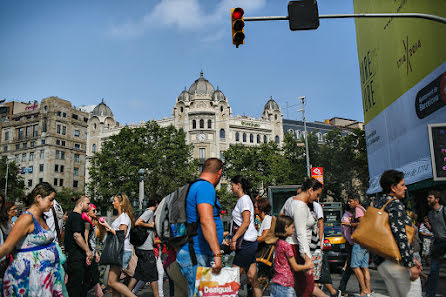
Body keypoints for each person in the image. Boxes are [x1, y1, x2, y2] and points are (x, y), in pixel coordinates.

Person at [0, 182, 64, 296]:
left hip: (45, 278)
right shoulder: (26, 218)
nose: (52, 203)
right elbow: (7, 247)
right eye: (50, 199)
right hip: (29, 278)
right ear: (39, 198)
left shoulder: (41, 217)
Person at [176, 158, 224, 297]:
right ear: (219, 173)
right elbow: (206, 221)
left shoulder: (193, 186)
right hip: (197, 253)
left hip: (192, 252)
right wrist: (217, 254)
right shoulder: (205, 187)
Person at [374, 170, 422, 297]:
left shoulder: (379, 203)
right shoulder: (395, 204)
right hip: (398, 263)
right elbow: (400, 236)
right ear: (393, 188)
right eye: (402, 185)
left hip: (384, 261)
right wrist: (410, 263)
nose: (405, 188)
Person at [280, 177, 324, 297]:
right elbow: (301, 233)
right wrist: (307, 257)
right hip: (297, 248)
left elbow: (280, 217)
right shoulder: (300, 206)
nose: (317, 198)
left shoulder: (290, 201)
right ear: (310, 190)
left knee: (300, 286)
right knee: (306, 286)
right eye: (317, 194)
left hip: (293, 246)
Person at [230, 175, 262, 297]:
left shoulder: (244, 200)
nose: (231, 188)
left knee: (233, 278)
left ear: (238, 186)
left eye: (232, 185)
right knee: (252, 277)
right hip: (249, 242)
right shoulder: (245, 200)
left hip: (246, 243)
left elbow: (246, 222)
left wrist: (234, 238)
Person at [98, 193, 136, 297]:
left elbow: (121, 235)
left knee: (111, 282)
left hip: (121, 251)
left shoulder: (124, 217)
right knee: (115, 283)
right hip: (119, 250)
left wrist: (108, 227)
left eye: (115, 201)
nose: (113, 202)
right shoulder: (120, 217)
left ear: (121, 203)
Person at [270, 215, 314, 297]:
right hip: (285, 285)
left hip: (276, 283)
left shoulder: (278, 243)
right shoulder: (286, 245)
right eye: (292, 227)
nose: (294, 230)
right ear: (286, 227)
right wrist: (308, 265)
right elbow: (295, 267)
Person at [128, 199, 159, 296]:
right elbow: (138, 222)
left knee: (137, 274)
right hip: (146, 249)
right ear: (157, 204)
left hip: (141, 248)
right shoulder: (149, 212)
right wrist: (151, 225)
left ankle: (127, 294)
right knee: (153, 275)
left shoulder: (147, 212)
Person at [341, 194, 371, 297]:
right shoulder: (363, 209)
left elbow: (362, 223)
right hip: (366, 242)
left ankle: (363, 290)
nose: (349, 203)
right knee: (365, 268)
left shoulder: (358, 209)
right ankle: (368, 290)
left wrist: (349, 225)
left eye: (350, 201)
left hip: (359, 242)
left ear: (356, 201)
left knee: (354, 266)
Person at [65, 196, 92, 297]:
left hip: (74, 256)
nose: (89, 206)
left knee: (75, 285)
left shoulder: (72, 216)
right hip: (76, 257)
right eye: (88, 203)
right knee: (76, 286)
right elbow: (77, 236)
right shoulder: (76, 217)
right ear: (81, 204)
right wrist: (87, 251)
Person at [425, 190, 446, 297]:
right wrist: (430, 228)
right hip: (437, 243)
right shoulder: (430, 214)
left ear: (437, 200)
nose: (428, 200)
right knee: (433, 270)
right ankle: (430, 294)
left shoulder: (444, 210)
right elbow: (435, 230)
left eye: (430, 198)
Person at [83, 203, 103, 297]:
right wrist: (88, 253)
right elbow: (86, 239)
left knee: (92, 277)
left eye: (96, 210)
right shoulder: (86, 223)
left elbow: (93, 241)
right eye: (93, 210)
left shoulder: (92, 223)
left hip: (92, 253)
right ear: (87, 212)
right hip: (88, 254)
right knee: (93, 277)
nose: (96, 212)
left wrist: (96, 254)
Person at [338, 204, 355, 296]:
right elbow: (346, 232)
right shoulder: (346, 217)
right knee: (353, 267)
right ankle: (341, 288)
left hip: (351, 244)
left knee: (352, 267)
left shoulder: (348, 216)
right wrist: (352, 242)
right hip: (351, 244)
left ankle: (342, 287)